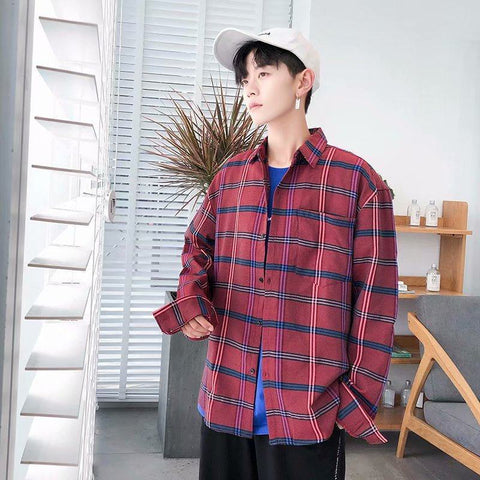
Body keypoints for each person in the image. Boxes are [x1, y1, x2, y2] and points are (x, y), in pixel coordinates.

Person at [153, 27, 399, 480]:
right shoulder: (230, 177)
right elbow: (197, 247)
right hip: (226, 399)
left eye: (263, 73)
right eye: (245, 78)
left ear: (303, 81)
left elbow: (376, 298)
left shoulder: (356, 182)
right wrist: (191, 301)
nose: (250, 88)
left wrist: (355, 397)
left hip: (309, 409)